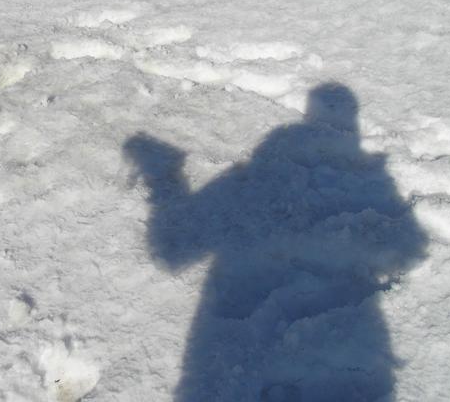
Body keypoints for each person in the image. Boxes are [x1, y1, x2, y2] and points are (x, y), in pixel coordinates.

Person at [124, 82, 427, 401]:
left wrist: (161, 179)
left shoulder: (251, 179)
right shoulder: (374, 180)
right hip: (359, 343)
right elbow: (410, 248)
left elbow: (171, 249)